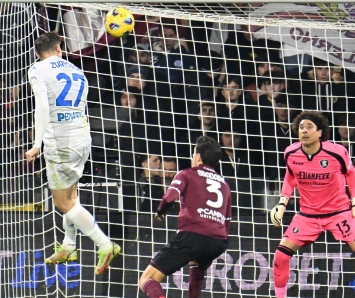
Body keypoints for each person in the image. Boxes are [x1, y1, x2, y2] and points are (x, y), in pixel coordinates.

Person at [270, 111, 355, 298]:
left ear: (320, 132)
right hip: (307, 216)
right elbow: (291, 176)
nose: (304, 131)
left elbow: (352, 174)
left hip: (339, 213)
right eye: (301, 128)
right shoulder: (291, 153)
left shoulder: (336, 152)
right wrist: (282, 203)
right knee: (281, 256)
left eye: (309, 127)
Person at [24, 32, 120, 274]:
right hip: (82, 138)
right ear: (59, 49)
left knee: (63, 202)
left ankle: (105, 244)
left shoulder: (38, 69)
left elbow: (43, 106)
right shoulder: (77, 71)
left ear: (37, 54)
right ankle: (68, 245)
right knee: (71, 194)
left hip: (60, 142)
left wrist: (37, 144)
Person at [139, 135, 232, 298]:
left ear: (198, 157)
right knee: (196, 267)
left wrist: (161, 210)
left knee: (147, 279)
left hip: (192, 235)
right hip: (218, 241)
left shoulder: (187, 174)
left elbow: (170, 197)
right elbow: (227, 220)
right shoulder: (225, 185)